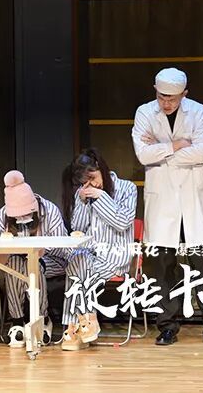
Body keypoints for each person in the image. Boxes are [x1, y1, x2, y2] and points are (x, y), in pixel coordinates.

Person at [131, 67, 203, 346]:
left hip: (190, 200)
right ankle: (167, 326)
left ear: (184, 94)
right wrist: (178, 144)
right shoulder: (144, 113)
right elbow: (142, 155)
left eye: (172, 99)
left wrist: (161, 149)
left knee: (202, 266)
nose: (166, 103)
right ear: (155, 91)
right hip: (162, 200)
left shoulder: (198, 112)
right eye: (162, 97)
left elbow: (201, 152)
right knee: (163, 268)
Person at [60, 148, 137, 351]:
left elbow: (122, 222)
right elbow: (78, 228)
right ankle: (87, 323)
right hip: (90, 254)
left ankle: (74, 328)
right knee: (76, 263)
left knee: (78, 273)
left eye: (93, 178)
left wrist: (101, 197)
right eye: (85, 182)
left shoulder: (127, 188)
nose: (91, 184)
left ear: (101, 168)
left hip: (115, 255)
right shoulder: (84, 192)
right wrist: (82, 202)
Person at [0, 170, 68, 347]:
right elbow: (0, 261)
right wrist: (5, 251)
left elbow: (63, 247)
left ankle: (42, 318)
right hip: (17, 262)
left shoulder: (49, 211)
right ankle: (17, 321)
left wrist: (43, 248)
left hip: (51, 260)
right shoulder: (2, 216)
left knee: (34, 264)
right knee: (14, 264)